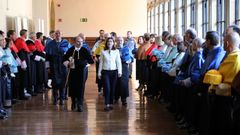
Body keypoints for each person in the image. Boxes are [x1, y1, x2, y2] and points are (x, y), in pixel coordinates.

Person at [207, 32, 240, 135]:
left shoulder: (235, 58)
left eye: (223, 41)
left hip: (226, 99)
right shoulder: (231, 56)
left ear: (227, 43)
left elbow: (232, 83)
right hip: (222, 96)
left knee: (223, 126)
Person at [63, 36, 94, 112]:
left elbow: (91, 61)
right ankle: (74, 102)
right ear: (74, 42)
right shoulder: (71, 50)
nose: (80, 43)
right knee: (73, 86)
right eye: (78, 41)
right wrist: (68, 64)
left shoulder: (84, 50)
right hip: (73, 71)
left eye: (81, 42)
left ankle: (80, 104)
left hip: (82, 72)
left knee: (81, 87)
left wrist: (85, 63)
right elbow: (64, 59)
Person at [45, 30, 72, 105]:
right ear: (54, 35)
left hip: (63, 65)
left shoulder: (66, 43)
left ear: (62, 34)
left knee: (63, 82)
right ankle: (55, 98)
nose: (57, 35)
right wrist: (47, 67)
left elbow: (70, 54)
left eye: (59, 33)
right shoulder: (50, 44)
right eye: (56, 33)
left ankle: (62, 98)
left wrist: (70, 63)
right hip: (54, 65)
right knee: (55, 83)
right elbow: (47, 57)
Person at [98, 37, 122, 111]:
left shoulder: (116, 51)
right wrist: (99, 72)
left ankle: (111, 103)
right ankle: (107, 104)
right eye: (108, 41)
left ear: (113, 43)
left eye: (111, 41)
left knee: (112, 88)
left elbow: (118, 62)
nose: (109, 43)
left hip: (114, 72)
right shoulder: (103, 52)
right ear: (106, 43)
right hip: (105, 72)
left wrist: (119, 71)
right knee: (107, 88)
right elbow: (101, 63)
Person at [115, 36, 133, 106]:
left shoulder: (126, 48)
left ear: (123, 41)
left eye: (121, 40)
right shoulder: (114, 49)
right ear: (116, 41)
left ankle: (124, 99)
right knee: (116, 82)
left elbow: (131, 58)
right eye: (118, 40)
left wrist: (129, 60)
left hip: (124, 66)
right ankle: (116, 97)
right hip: (115, 67)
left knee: (124, 82)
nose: (120, 42)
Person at [15, 29, 31, 100]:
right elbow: (21, 53)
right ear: (24, 34)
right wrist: (23, 63)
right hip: (22, 62)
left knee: (24, 78)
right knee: (22, 79)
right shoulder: (19, 41)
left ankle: (23, 93)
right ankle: (21, 95)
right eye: (26, 33)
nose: (27, 35)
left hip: (24, 61)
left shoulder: (22, 41)